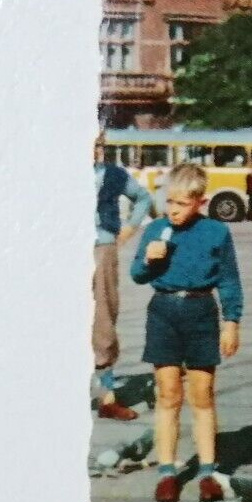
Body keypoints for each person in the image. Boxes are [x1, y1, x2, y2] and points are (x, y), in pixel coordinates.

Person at [129, 164, 243, 502]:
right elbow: (136, 274)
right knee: (167, 394)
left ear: (200, 202)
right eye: (170, 203)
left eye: (182, 204)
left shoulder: (216, 233)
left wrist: (232, 321)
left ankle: (207, 472)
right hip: (163, 311)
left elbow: (229, 280)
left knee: (203, 394)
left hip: (201, 311)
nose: (173, 211)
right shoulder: (156, 231)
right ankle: (167, 472)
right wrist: (149, 261)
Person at [93, 133, 155, 420]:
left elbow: (143, 198)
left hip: (101, 249)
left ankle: (108, 397)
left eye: (100, 145)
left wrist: (129, 228)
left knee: (104, 316)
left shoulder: (114, 174)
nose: (96, 151)